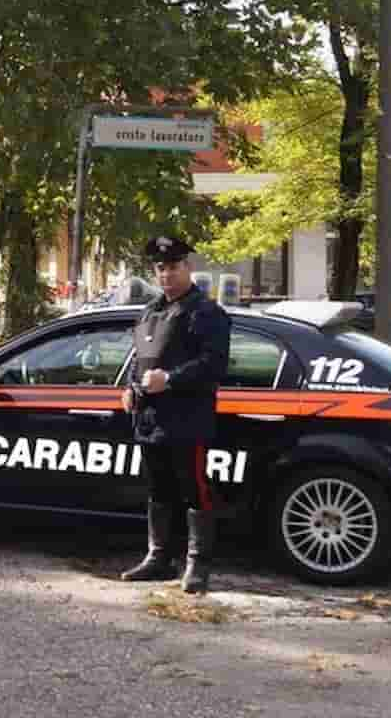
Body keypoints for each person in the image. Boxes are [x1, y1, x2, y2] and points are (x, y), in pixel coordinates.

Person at [120, 236, 231, 593]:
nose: (166, 274)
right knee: (159, 490)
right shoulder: (151, 310)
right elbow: (140, 358)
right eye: (160, 268)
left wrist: (169, 380)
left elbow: (213, 365)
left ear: (188, 268)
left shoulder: (206, 312)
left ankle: (197, 565)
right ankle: (158, 558)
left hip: (187, 420)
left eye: (173, 267)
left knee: (194, 490)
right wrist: (130, 387)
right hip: (150, 420)